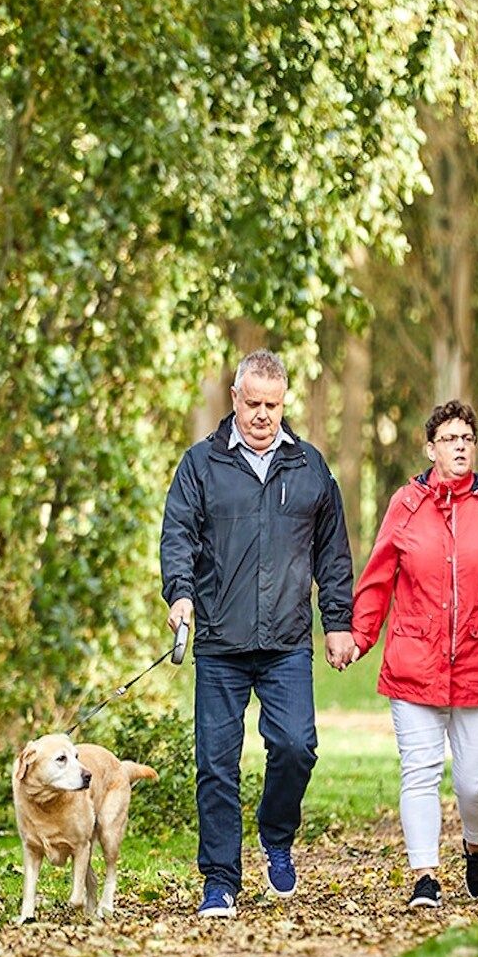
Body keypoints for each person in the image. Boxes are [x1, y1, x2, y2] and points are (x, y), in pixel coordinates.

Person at [160, 350, 358, 918]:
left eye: (273, 405)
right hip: (221, 640)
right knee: (216, 764)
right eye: (253, 404)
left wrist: (338, 623)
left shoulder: (310, 468)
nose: (263, 415)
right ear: (234, 398)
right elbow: (178, 536)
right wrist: (180, 594)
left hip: (287, 641)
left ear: (284, 403)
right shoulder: (200, 466)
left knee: (297, 746)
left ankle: (276, 836)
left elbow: (333, 553)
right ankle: (220, 880)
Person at [348, 399, 478, 910]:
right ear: (431, 447)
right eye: (450, 438)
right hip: (415, 663)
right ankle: (425, 876)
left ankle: (475, 845)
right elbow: (377, 579)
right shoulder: (406, 504)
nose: (460, 445)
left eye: (467, 438)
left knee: (476, 784)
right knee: (419, 770)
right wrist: (358, 637)